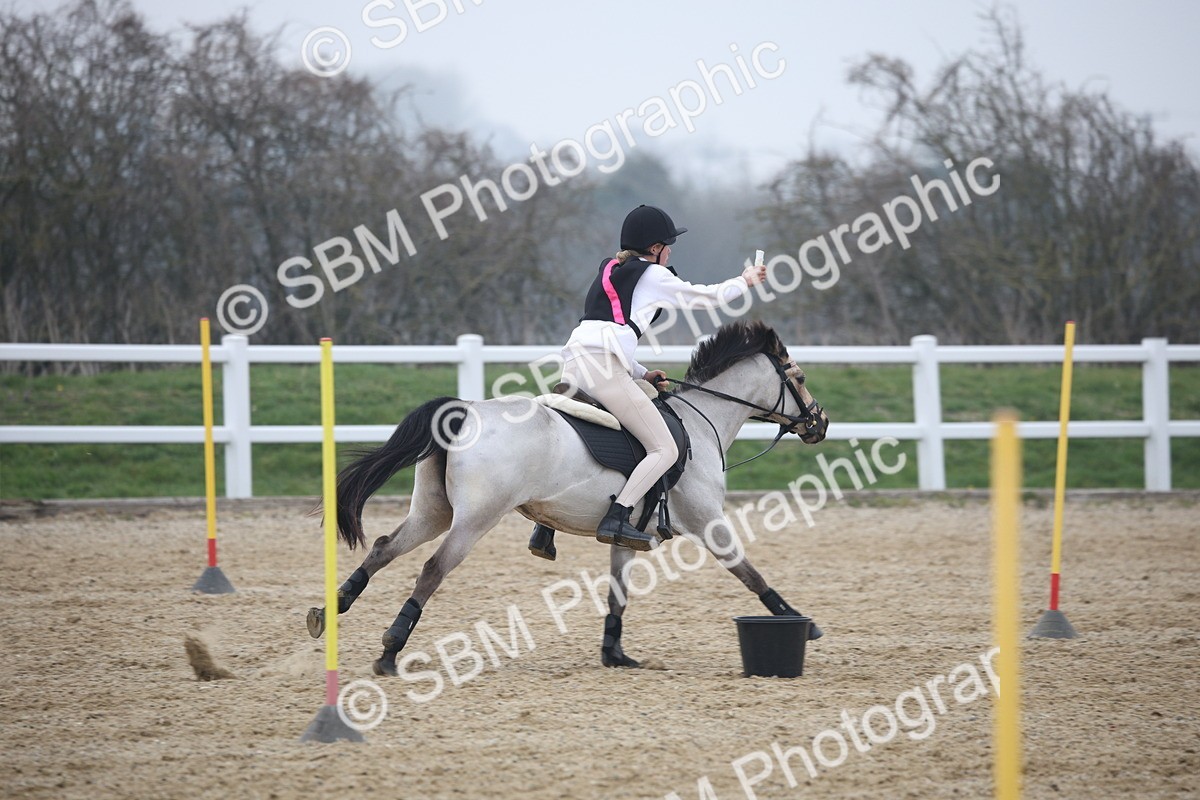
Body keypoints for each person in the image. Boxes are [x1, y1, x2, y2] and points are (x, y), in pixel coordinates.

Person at [529, 204, 768, 557]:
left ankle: (545, 526)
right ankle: (619, 515)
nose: (670, 251)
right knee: (665, 449)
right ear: (655, 249)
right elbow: (705, 298)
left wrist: (641, 373)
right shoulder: (653, 276)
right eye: (667, 245)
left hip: (575, 364)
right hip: (604, 369)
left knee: (578, 439)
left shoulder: (610, 268)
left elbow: (608, 330)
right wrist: (745, 281)